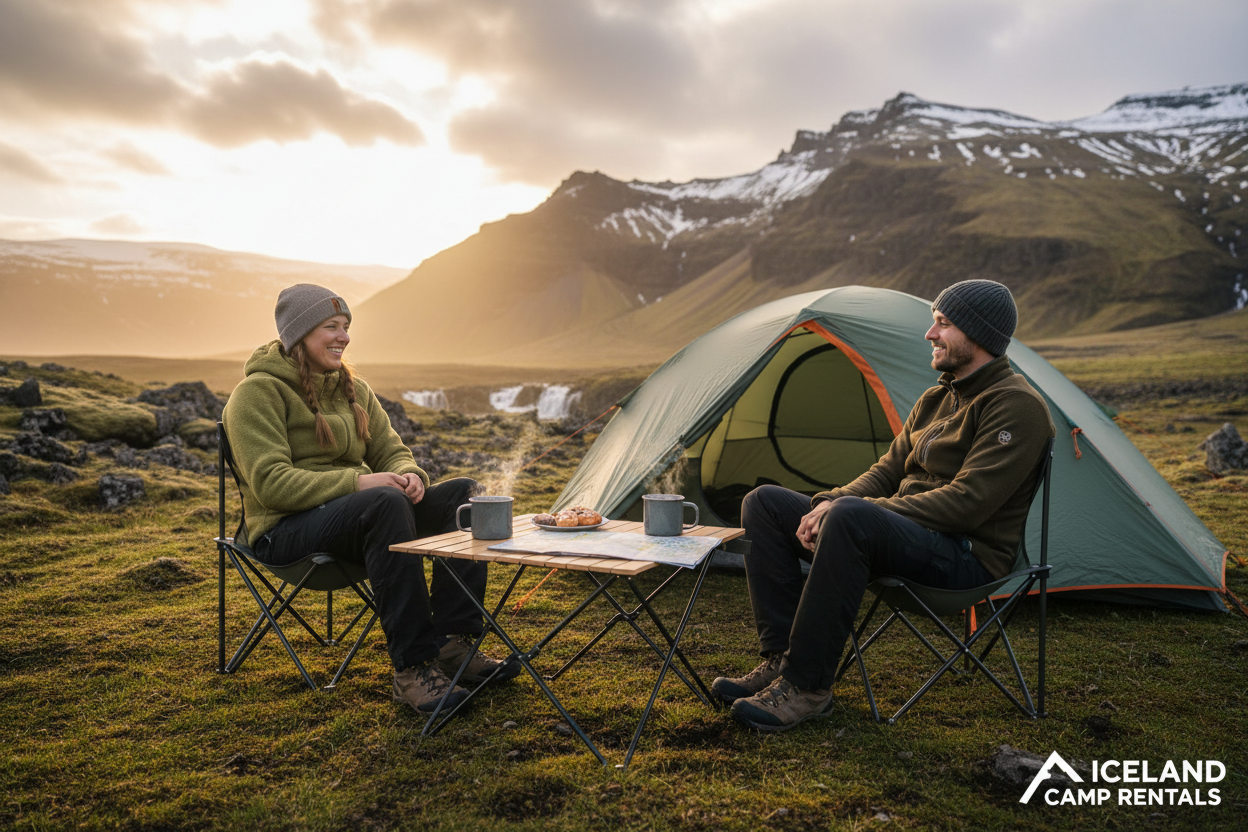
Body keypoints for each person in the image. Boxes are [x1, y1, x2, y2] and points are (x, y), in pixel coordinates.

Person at [712, 279, 1055, 732]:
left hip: (965, 558)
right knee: (765, 503)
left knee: (852, 516)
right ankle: (780, 661)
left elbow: (967, 505)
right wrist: (829, 501)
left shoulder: (1017, 406)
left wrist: (856, 512)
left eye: (943, 324)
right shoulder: (936, 399)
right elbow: (886, 472)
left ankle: (808, 686)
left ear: (977, 333)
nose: (930, 334)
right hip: (902, 538)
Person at [222, 283, 519, 713]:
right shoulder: (256, 394)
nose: (344, 336)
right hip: (284, 531)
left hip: (359, 521)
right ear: (299, 333)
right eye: (331, 326)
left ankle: (453, 645)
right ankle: (412, 669)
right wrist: (359, 483)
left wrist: (409, 475)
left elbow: (392, 451)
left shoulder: (354, 390)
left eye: (346, 326)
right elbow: (271, 484)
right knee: (384, 502)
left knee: (465, 496)